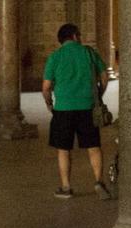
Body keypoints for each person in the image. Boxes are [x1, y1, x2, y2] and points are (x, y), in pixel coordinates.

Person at [41, 23, 111, 199]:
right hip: (87, 107)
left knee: (63, 149)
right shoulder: (89, 53)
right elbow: (104, 75)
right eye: (79, 35)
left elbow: (46, 87)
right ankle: (98, 182)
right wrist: (99, 94)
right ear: (73, 36)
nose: (80, 38)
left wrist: (49, 104)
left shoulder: (55, 57)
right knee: (93, 147)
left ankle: (66, 187)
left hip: (63, 108)